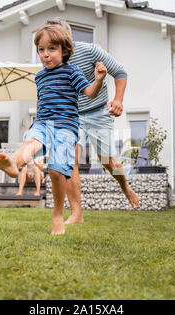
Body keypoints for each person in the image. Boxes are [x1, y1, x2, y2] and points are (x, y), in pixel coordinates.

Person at [0, 23, 107, 235]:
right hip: (43, 122)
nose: (45, 55)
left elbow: (90, 92)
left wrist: (98, 80)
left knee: (56, 171)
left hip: (65, 127)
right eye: (41, 50)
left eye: (51, 49)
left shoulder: (72, 71)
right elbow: (41, 101)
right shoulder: (40, 76)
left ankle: (57, 214)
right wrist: (34, 123)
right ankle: (13, 164)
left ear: (64, 50)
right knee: (30, 142)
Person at [45, 18, 140, 225]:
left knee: (109, 162)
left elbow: (120, 72)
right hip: (72, 115)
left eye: (58, 40)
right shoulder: (51, 61)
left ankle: (125, 187)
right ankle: (76, 213)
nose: (51, 48)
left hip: (98, 112)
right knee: (71, 161)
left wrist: (118, 100)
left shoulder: (90, 50)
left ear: (67, 38)